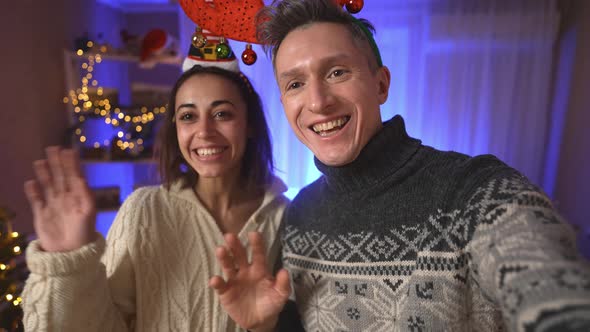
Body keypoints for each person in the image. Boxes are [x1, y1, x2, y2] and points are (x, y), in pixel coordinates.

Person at [208, 0, 590, 331]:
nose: (318, 101)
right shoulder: (301, 214)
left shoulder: (475, 191)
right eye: (295, 84)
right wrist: (265, 325)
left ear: (381, 84)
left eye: (337, 72)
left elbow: (546, 283)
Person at [21, 64, 289, 331]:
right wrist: (67, 266)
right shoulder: (144, 210)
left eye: (222, 114)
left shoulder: (287, 218)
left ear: (250, 124)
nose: (204, 131)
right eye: (188, 116)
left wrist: (263, 327)